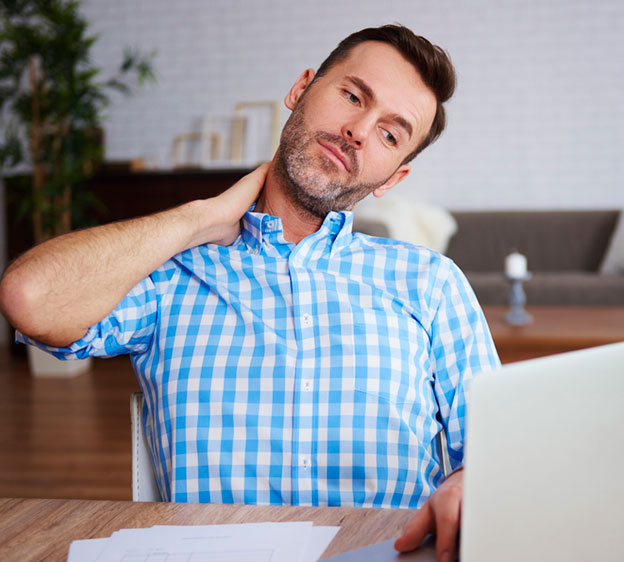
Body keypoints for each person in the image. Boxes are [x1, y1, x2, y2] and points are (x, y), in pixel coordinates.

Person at [0, 24, 499, 562]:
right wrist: (204, 216)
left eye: (389, 134)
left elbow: (502, 453)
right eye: (353, 96)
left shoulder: (432, 285)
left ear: (392, 179)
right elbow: (29, 297)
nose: (358, 129)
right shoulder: (175, 275)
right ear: (301, 89)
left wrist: (472, 482)